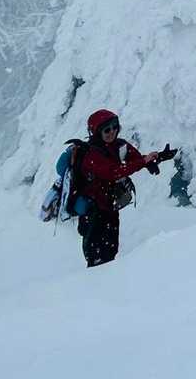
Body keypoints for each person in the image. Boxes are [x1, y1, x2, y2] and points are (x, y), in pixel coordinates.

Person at [71, 108, 175, 268]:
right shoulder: (91, 154)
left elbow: (136, 159)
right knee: (95, 254)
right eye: (106, 130)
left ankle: (107, 276)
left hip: (109, 205)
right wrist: (143, 162)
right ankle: (94, 279)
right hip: (93, 210)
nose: (112, 132)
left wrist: (156, 158)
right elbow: (113, 172)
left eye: (115, 127)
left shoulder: (119, 145)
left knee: (110, 249)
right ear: (96, 132)